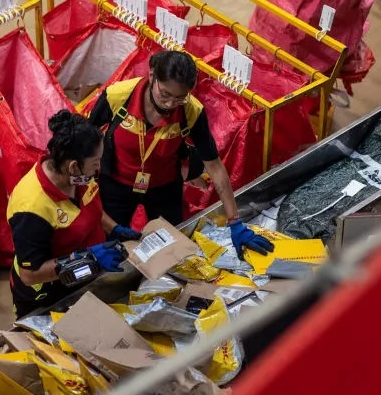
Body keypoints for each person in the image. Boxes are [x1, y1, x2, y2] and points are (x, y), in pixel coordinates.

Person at [89, 50, 274, 258]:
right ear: (152, 76)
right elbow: (85, 140)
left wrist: (235, 222)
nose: (169, 104)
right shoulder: (118, 96)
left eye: (179, 98)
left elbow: (214, 166)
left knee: (170, 251)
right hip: (116, 184)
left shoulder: (191, 111)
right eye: (165, 94)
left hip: (164, 189)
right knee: (111, 249)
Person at [6, 109, 140, 318]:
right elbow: (30, 274)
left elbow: (90, 208)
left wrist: (114, 228)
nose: (99, 168)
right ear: (73, 166)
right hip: (49, 292)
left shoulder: (80, 178)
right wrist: (90, 257)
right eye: (95, 162)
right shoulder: (32, 207)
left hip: (86, 274)